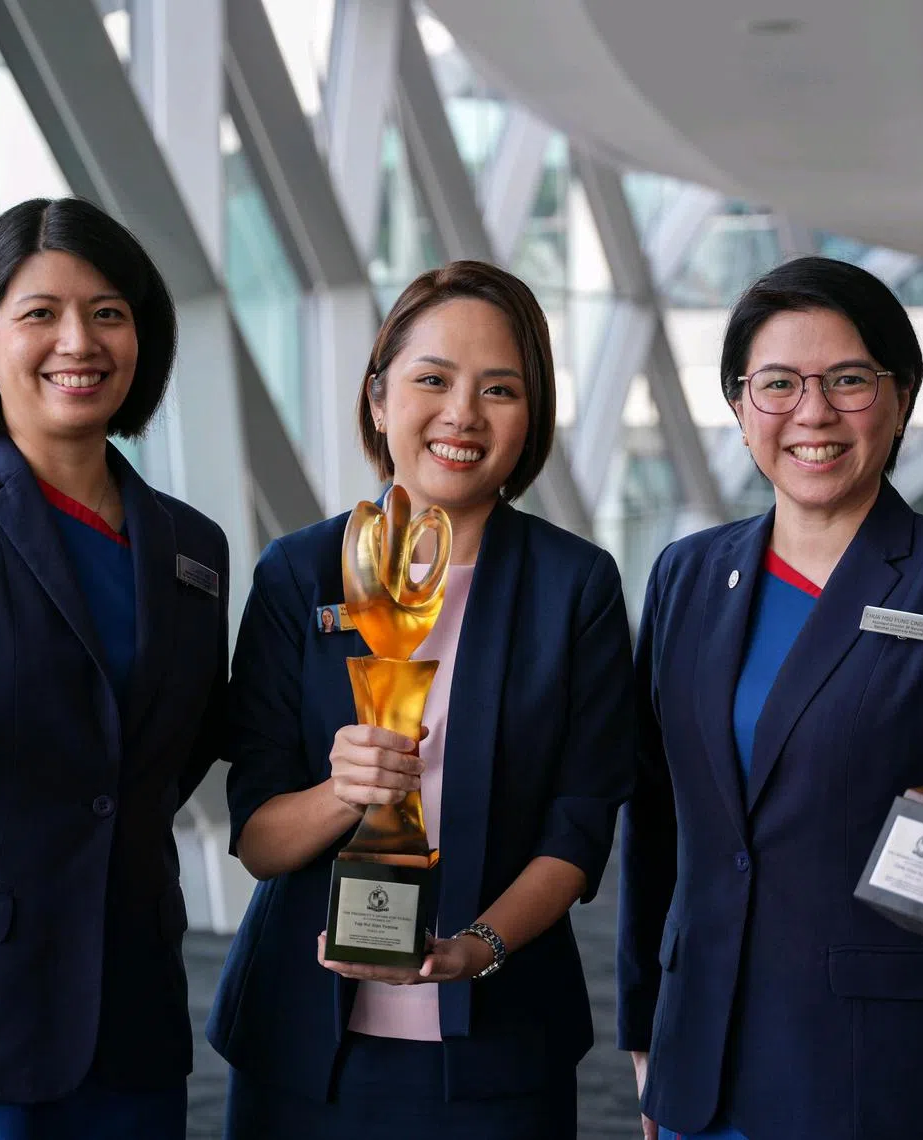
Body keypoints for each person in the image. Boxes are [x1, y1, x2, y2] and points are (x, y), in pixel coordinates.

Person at [208, 260, 634, 1138]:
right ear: (378, 398)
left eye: (499, 389)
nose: (462, 415)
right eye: (432, 379)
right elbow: (256, 837)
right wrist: (342, 792)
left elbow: (580, 824)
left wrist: (478, 948)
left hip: (500, 1043)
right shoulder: (300, 572)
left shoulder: (575, 586)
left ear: (532, 416)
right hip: (303, 1043)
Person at [0, 197, 229, 1138]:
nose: (80, 341)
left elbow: (170, 756)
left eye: (109, 313)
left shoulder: (193, 548)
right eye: (41, 314)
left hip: (131, 1007)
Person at [617, 256, 923, 1140]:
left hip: (881, 1075)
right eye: (779, 383)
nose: (813, 412)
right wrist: (645, 1031)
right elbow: (656, 818)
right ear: (739, 404)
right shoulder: (686, 575)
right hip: (700, 1063)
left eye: (849, 380)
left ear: (901, 398)